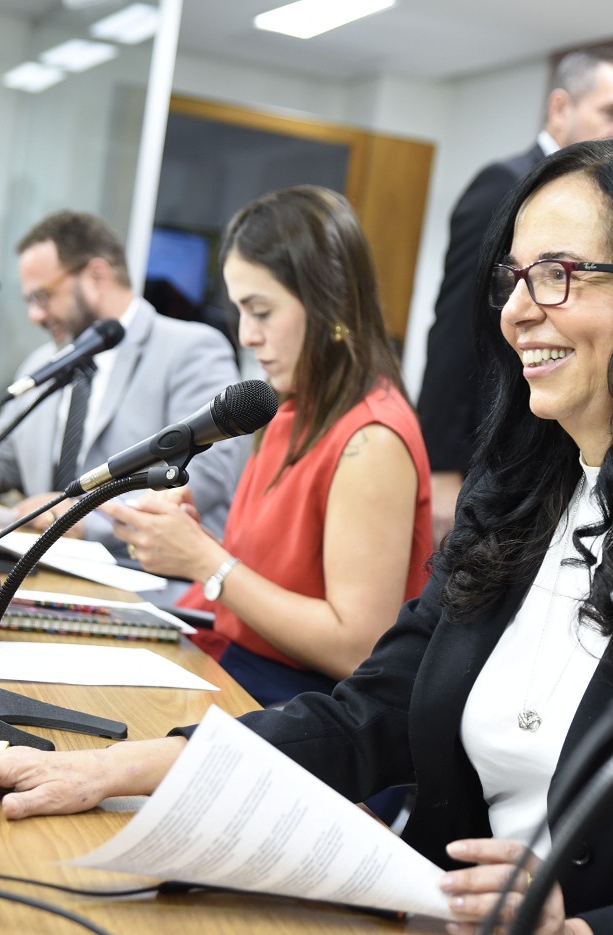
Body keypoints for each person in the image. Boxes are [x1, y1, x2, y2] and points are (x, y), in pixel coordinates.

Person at [0, 141, 613, 935]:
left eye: (559, 275)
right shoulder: (518, 495)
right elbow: (368, 716)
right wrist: (121, 768)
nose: (517, 309)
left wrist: (586, 926)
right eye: (514, 277)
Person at [100, 186, 433, 705]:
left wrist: (206, 561)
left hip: (305, 705)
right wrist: (191, 540)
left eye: (260, 311)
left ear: (330, 303)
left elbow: (357, 647)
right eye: (240, 311)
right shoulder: (290, 407)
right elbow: (273, 579)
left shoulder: (371, 439)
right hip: (240, 669)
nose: (247, 335)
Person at [0, 211, 243, 558]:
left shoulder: (190, 349)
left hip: (143, 579)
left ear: (97, 276)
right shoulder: (44, 364)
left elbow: (204, 476)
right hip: (42, 569)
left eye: (43, 296)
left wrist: (83, 518)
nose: (35, 316)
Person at [417, 47, 613, 544]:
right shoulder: (502, 185)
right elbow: (455, 327)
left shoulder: (608, 202)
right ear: (560, 108)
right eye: (611, 112)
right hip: (493, 445)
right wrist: (441, 464)